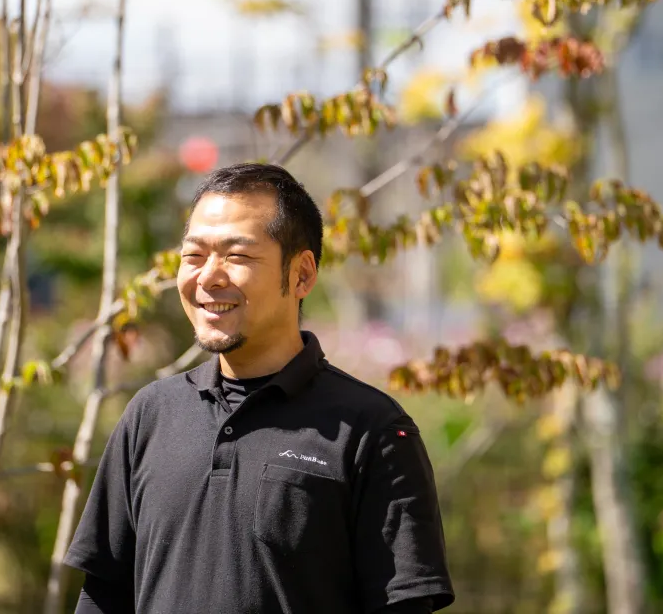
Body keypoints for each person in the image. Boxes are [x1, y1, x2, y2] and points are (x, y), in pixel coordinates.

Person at [65, 162, 455, 613]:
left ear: (302, 275)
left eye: (237, 256)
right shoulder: (150, 415)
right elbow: (103, 596)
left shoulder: (372, 431)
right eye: (193, 256)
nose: (208, 276)